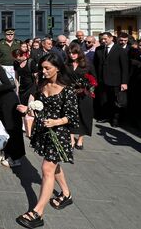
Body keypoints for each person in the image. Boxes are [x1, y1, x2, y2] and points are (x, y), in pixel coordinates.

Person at [16, 53, 78, 229]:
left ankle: (38, 212)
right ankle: (66, 194)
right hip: (44, 133)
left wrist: (56, 121)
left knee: (46, 169)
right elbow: (40, 109)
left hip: (60, 134)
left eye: (47, 68)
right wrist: (28, 110)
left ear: (57, 68)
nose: (43, 71)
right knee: (53, 166)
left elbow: (72, 117)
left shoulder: (67, 89)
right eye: (42, 68)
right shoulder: (42, 84)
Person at [93, 32, 129, 126]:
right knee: (104, 100)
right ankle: (106, 116)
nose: (103, 41)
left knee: (115, 101)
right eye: (102, 39)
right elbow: (95, 65)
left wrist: (124, 82)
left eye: (105, 39)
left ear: (111, 38)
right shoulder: (99, 49)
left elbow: (125, 67)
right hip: (102, 80)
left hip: (115, 80)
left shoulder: (120, 50)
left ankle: (115, 119)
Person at [66, 43, 95, 150]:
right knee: (70, 115)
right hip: (70, 93)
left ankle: (81, 139)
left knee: (84, 116)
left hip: (84, 94)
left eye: (74, 53)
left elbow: (94, 79)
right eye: (70, 53)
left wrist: (87, 86)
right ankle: (71, 139)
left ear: (79, 53)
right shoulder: (66, 64)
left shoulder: (87, 64)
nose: (72, 55)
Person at [13, 49, 37, 138]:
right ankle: (25, 125)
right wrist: (17, 88)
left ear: (24, 55)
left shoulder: (31, 62)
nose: (17, 60)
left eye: (19, 58)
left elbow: (36, 76)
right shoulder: (16, 63)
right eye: (16, 59)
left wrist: (36, 88)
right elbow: (16, 77)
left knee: (30, 105)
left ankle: (32, 125)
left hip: (32, 86)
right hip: (22, 87)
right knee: (22, 106)